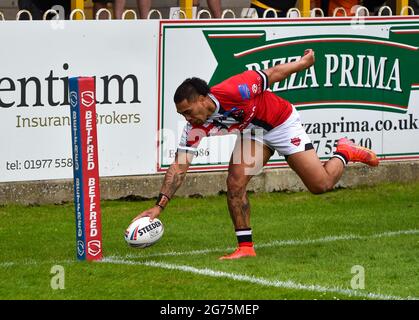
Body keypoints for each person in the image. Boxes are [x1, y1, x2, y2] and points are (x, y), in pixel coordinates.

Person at [133, 49, 379, 260]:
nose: (186, 118)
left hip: (282, 124)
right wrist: (159, 207)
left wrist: (303, 64)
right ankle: (245, 248)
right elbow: (179, 166)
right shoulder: (194, 127)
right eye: (182, 115)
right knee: (234, 183)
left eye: (187, 111)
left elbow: (272, 74)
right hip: (253, 134)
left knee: (320, 185)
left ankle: (345, 151)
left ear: (201, 99)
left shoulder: (234, 89)